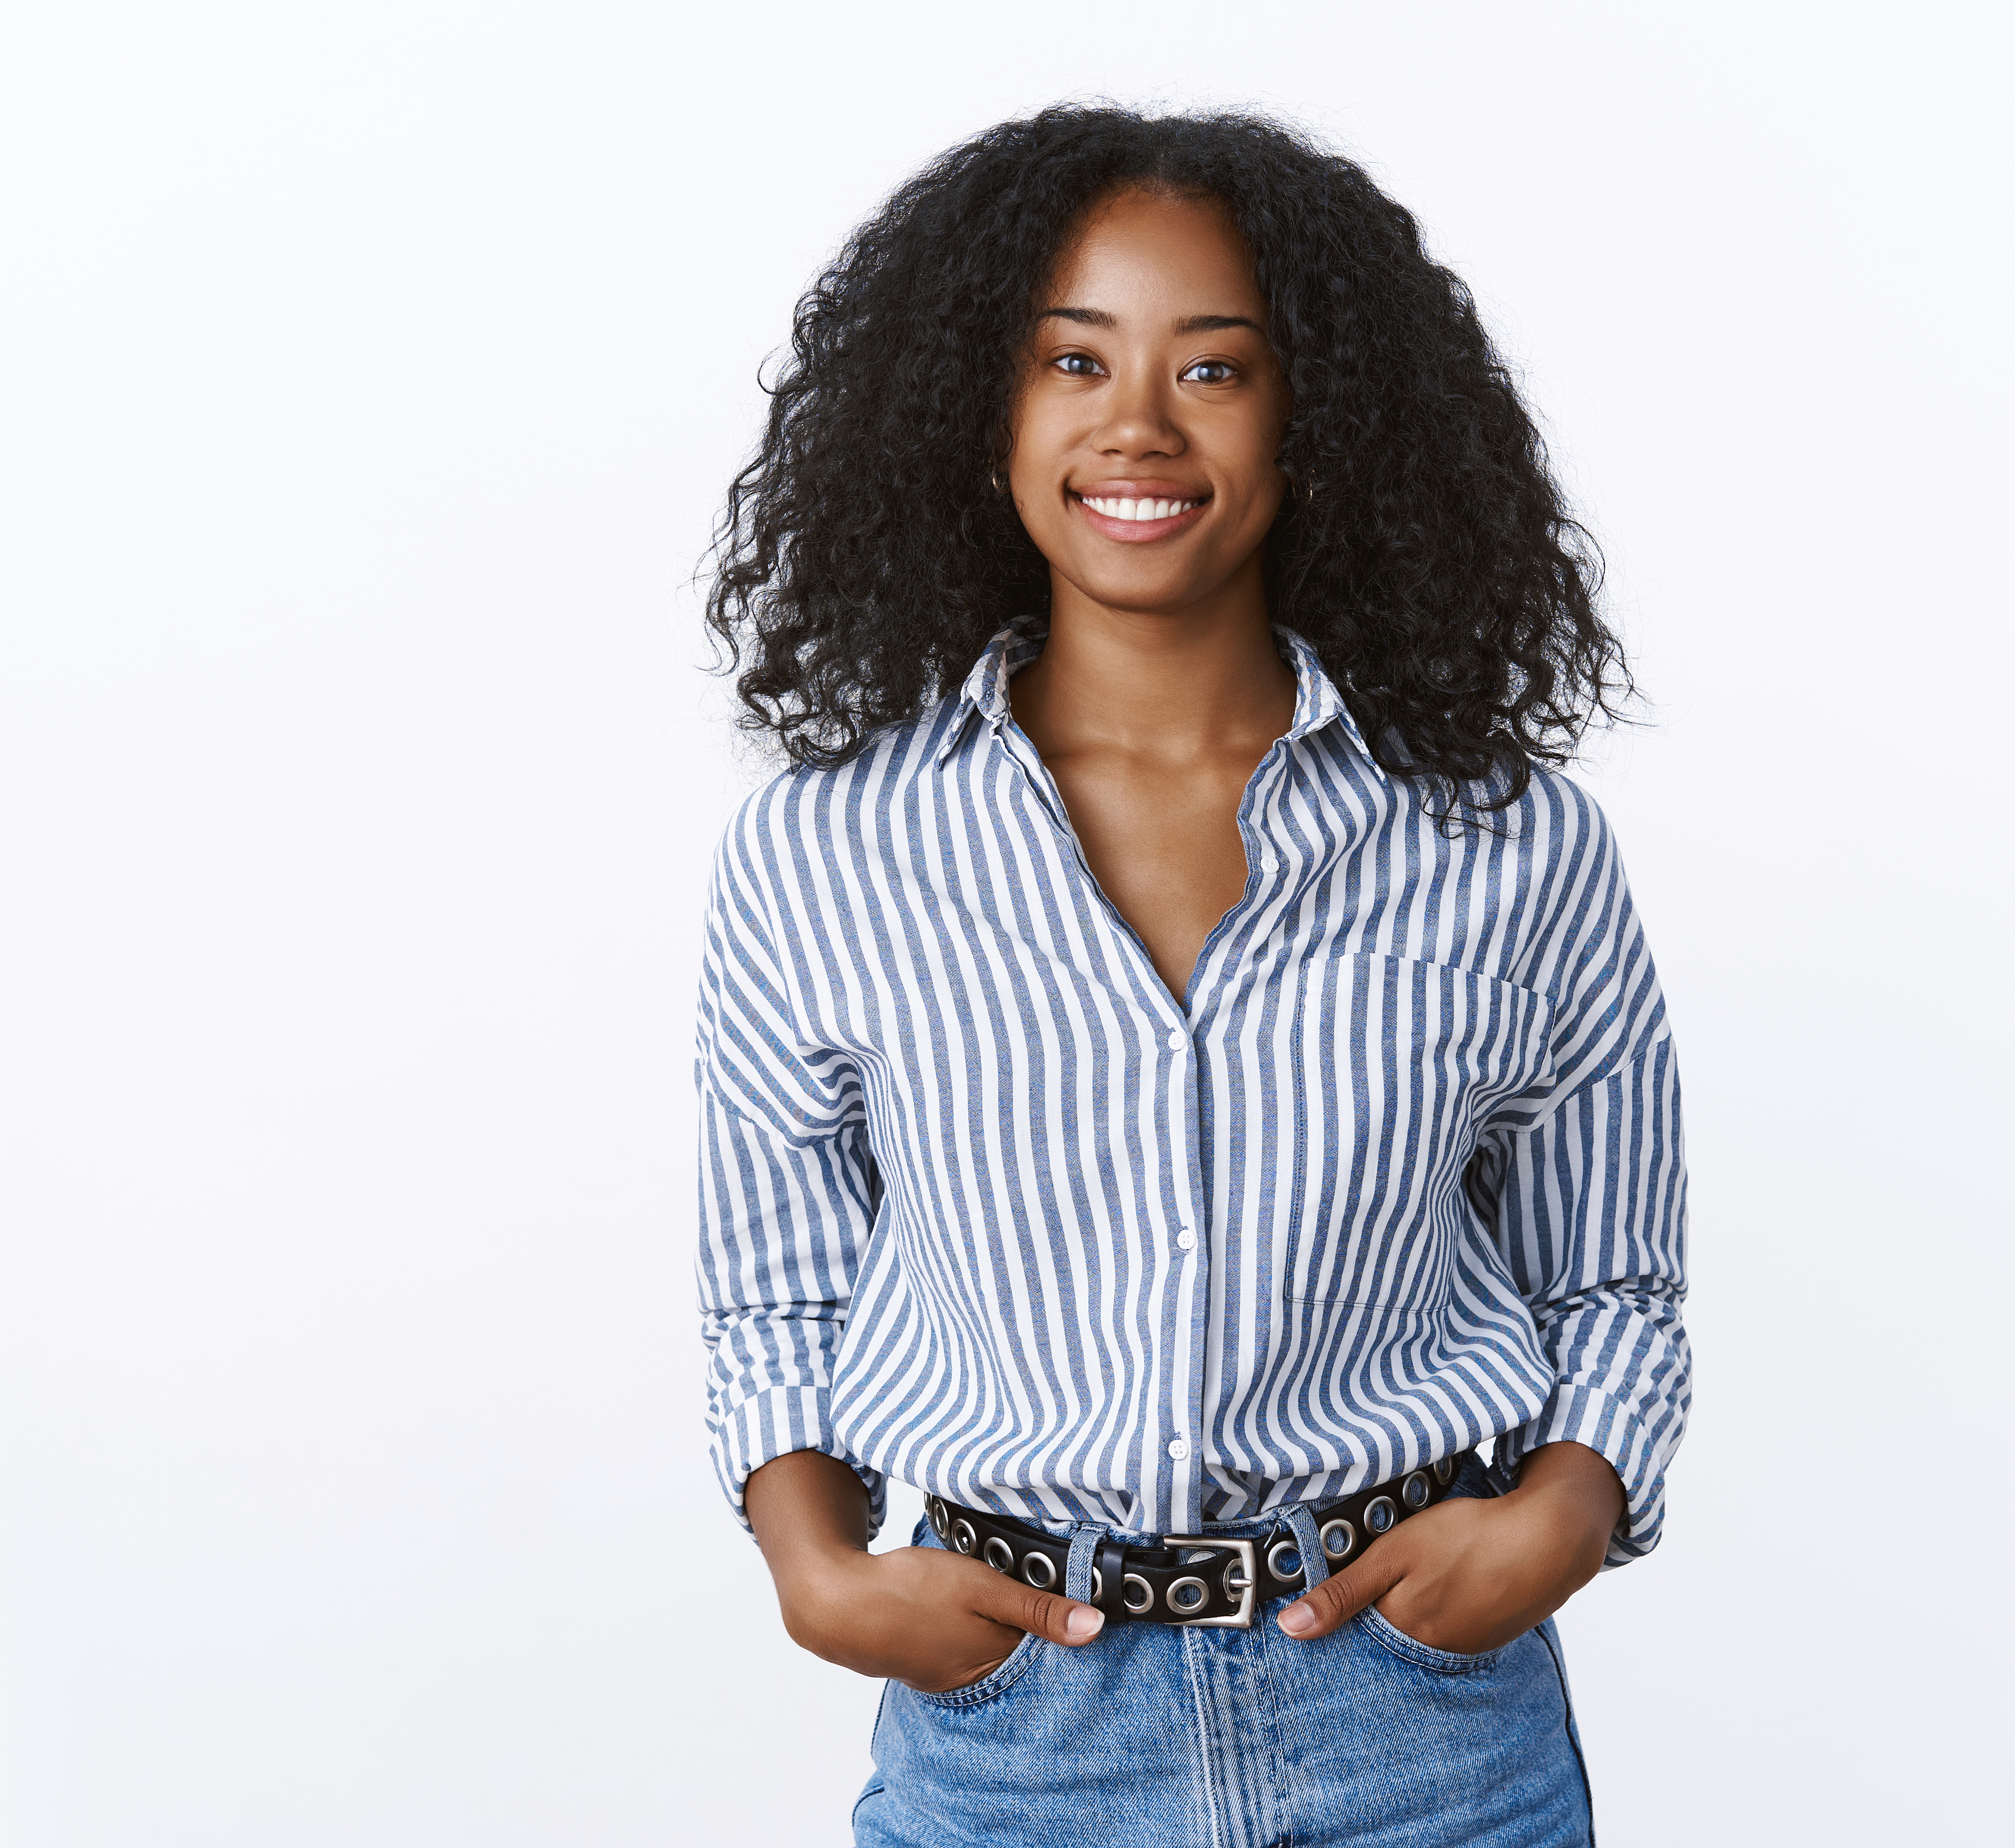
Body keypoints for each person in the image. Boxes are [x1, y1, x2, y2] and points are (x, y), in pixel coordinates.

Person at [694, 106, 1687, 1848]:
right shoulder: (824, 853)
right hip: (1017, 1737)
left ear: (1318, 418)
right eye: (1072, 360)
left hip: (1422, 1733)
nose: (1137, 423)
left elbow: (1611, 1275)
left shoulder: (1507, 842)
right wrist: (815, 1566)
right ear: (983, 409)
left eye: (1214, 368)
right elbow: (774, 1293)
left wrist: (1566, 1511)